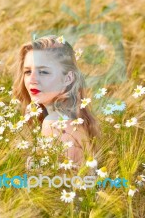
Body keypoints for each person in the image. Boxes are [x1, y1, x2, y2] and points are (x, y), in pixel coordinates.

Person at [12, 35, 100, 166]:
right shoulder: (74, 119)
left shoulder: (54, 123)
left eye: (43, 72)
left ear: (68, 78)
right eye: (28, 72)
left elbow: (46, 183)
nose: (32, 80)